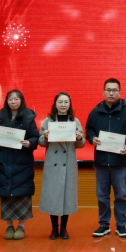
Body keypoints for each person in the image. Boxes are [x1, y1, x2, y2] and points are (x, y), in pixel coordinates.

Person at [85, 78, 126, 238]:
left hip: (120, 162)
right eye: (108, 90)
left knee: (121, 195)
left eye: (114, 90)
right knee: (102, 196)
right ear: (103, 92)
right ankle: (104, 224)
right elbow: (89, 129)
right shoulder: (95, 112)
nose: (111, 93)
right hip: (101, 162)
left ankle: (121, 225)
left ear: (119, 92)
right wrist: (92, 138)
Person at [0, 90, 40, 240]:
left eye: (16, 99)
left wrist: (30, 142)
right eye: (10, 99)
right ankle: (9, 226)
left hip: (22, 161)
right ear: (6, 101)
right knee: (6, 194)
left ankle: (21, 226)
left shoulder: (29, 116)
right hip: (4, 160)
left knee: (22, 195)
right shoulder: (2, 115)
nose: (13, 102)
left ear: (21, 100)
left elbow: (35, 137)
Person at [38, 92, 86, 240]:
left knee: (66, 197)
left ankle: (64, 228)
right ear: (55, 104)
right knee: (53, 196)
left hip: (68, 163)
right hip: (53, 163)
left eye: (66, 102)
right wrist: (45, 137)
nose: (63, 105)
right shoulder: (48, 121)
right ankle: (54, 229)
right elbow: (40, 142)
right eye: (60, 102)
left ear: (70, 104)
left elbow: (82, 143)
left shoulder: (75, 121)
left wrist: (79, 138)